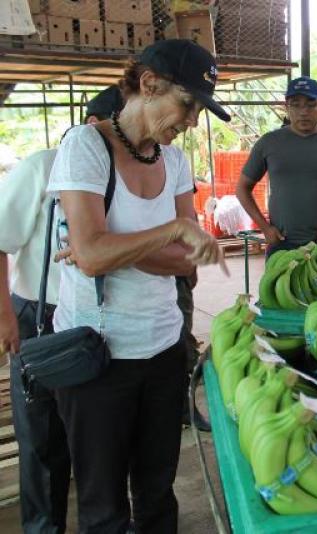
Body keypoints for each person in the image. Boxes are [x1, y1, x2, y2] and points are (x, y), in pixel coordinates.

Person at [46, 39, 229, 532]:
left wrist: (113, 248)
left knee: (157, 490)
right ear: (148, 85)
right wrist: (164, 234)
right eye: (188, 105)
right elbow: (93, 255)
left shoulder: (173, 163)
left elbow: (186, 260)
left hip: (165, 347)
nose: (192, 122)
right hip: (100, 358)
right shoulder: (84, 147)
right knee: (104, 503)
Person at [0, 85, 123, 534]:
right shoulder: (43, 167)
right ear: (95, 129)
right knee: (41, 436)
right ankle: (42, 527)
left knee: (95, 432)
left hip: (97, 317)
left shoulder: (128, 173)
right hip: (39, 314)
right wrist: (7, 318)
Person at [236, 76, 317, 252]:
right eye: (295, 104)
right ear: (286, 107)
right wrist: (265, 227)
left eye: (310, 104)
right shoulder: (269, 143)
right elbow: (242, 189)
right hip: (282, 244)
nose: (303, 111)